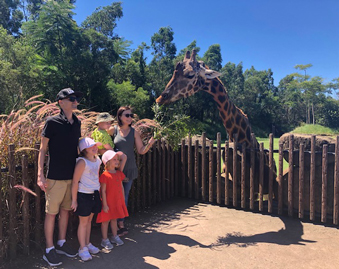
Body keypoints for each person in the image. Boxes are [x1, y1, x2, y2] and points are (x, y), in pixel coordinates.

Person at [37, 88, 83, 267]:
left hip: (71, 176)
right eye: (71, 98)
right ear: (60, 102)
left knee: (66, 211)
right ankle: (49, 249)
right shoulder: (52, 122)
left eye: (76, 98)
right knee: (51, 213)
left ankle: (61, 243)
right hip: (55, 177)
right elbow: (43, 149)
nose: (75, 101)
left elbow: (77, 149)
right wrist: (40, 175)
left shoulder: (77, 123)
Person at [113, 106, 156, 236]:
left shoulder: (134, 132)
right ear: (120, 116)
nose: (130, 118)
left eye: (131, 115)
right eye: (127, 115)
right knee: (114, 196)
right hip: (114, 169)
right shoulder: (113, 130)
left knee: (123, 197)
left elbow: (141, 150)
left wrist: (151, 142)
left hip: (129, 168)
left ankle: (121, 223)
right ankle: (112, 223)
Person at [71, 137, 102, 261]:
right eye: (91, 146)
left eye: (95, 145)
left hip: (94, 194)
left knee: (89, 221)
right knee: (83, 222)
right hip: (84, 195)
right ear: (84, 150)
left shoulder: (97, 160)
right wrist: (74, 200)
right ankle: (82, 248)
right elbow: (75, 182)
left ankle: (87, 243)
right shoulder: (82, 162)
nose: (95, 148)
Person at [96, 150, 128, 250]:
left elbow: (121, 187)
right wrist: (104, 204)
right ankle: (104, 239)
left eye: (117, 159)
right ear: (107, 162)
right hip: (108, 203)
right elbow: (103, 191)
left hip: (116, 202)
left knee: (114, 219)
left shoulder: (119, 173)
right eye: (114, 159)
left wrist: (122, 199)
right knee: (105, 221)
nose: (117, 161)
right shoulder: (104, 175)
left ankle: (115, 236)